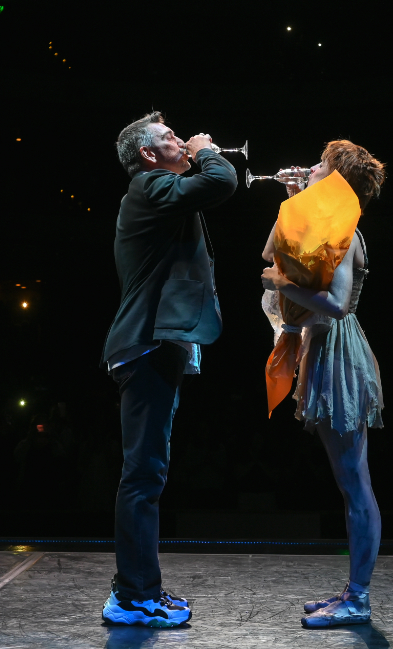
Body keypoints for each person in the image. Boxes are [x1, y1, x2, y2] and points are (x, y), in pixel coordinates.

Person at [100, 111, 238, 627]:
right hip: (146, 345)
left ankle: (139, 588)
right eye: (171, 138)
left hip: (160, 345)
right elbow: (220, 182)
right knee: (142, 475)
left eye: (181, 136)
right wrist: (205, 151)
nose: (182, 140)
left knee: (149, 473)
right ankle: (133, 595)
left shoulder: (160, 190)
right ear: (147, 154)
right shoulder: (148, 187)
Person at [260, 140, 386, 628]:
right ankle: (352, 592)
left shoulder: (347, 234)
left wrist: (280, 286)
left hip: (338, 350)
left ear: (337, 181)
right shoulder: (322, 223)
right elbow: (281, 250)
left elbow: (333, 305)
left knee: (355, 483)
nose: (310, 166)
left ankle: (358, 597)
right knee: (349, 481)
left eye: (320, 165)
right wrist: (294, 198)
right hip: (323, 348)